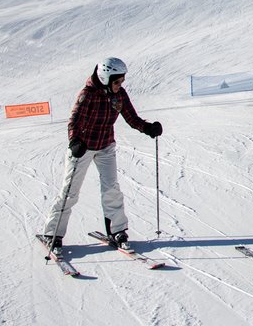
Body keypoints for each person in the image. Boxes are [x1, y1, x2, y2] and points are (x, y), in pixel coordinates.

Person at [41, 57, 163, 252]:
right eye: (117, 81)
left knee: (111, 189)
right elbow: (74, 122)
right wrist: (74, 142)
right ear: (105, 78)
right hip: (83, 148)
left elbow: (132, 118)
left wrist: (148, 128)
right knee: (70, 193)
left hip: (105, 146)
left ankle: (117, 231)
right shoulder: (87, 95)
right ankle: (52, 233)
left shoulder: (119, 95)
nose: (120, 85)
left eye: (122, 81)